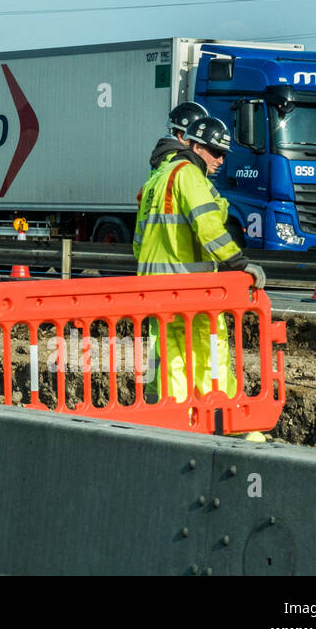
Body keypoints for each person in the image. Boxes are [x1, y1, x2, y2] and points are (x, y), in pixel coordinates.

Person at [133, 117, 266, 405]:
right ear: (193, 146)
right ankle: (223, 418)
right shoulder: (190, 175)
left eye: (223, 154)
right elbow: (209, 229)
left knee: (169, 357)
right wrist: (240, 264)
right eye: (214, 152)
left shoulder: (155, 180)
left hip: (156, 291)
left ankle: (173, 421)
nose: (220, 160)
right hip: (192, 290)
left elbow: (138, 243)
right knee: (211, 355)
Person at [149, 101, 208, 169]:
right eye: (196, 141)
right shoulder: (181, 163)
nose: (200, 147)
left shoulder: (165, 155)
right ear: (182, 137)